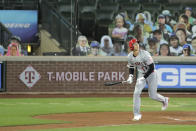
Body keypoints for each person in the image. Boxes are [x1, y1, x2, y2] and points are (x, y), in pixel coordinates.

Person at [127, 38, 169, 121]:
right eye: (135, 44)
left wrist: (143, 78)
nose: (137, 45)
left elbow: (152, 68)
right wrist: (130, 76)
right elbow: (131, 66)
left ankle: (164, 100)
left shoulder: (145, 54)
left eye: (137, 43)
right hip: (141, 74)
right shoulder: (130, 56)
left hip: (152, 74)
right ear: (131, 46)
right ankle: (137, 114)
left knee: (152, 95)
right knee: (136, 93)